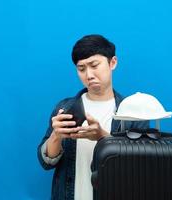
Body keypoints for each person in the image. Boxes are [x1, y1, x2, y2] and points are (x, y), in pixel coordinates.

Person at [37, 34, 148, 200]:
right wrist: (56, 136)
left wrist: (103, 138)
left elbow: (140, 167)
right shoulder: (64, 108)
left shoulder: (133, 112)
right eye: (81, 69)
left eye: (94, 65)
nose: (88, 75)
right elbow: (47, 163)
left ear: (113, 63)